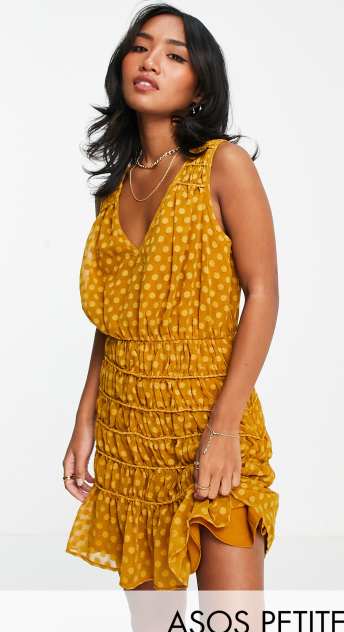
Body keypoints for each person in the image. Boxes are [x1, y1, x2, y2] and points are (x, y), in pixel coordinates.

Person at [62, 3, 279, 596]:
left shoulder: (223, 166)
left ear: (200, 88)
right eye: (140, 47)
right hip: (130, 435)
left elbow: (263, 294)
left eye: (174, 55)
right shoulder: (114, 189)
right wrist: (84, 421)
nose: (150, 61)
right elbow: (113, 320)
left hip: (211, 419)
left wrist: (224, 431)